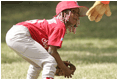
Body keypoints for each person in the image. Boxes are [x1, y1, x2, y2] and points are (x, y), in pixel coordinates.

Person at [6, 1, 88, 79]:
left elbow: (48, 52)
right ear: (64, 13)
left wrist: (60, 63)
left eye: (78, 13)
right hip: (20, 34)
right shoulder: (60, 26)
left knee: (38, 64)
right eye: (73, 11)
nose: (77, 16)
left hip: (15, 33)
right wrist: (64, 68)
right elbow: (52, 52)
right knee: (49, 61)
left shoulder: (56, 24)